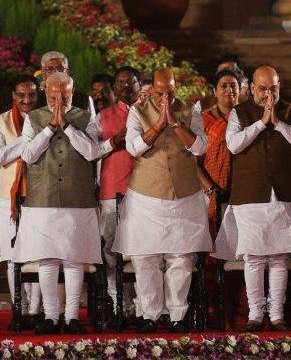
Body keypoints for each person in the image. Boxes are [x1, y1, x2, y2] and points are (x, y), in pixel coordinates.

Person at [115, 68, 213, 334]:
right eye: (160, 93)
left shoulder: (190, 111)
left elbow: (200, 147)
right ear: (152, 88)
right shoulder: (138, 111)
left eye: (169, 92)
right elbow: (133, 148)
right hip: (146, 196)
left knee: (181, 257)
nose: (165, 98)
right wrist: (158, 125)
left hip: (184, 195)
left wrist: (174, 124)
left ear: (175, 87)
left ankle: (177, 314)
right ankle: (149, 313)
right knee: (146, 257)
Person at [214, 66, 291, 331]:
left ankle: (277, 315)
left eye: (274, 88)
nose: (269, 94)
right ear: (252, 88)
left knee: (279, 258)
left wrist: (277, 123)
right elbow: (233, 144)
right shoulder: (239, 112)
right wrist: (261, 124)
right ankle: (255, 315)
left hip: (284, 195)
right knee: (254, 258)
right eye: (263, 88)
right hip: (250, 196)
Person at [12, 73, 103, 334]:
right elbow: (28, 155)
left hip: (78, 198)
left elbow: (92, 152)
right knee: (48, 259)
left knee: (74, 259)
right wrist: (51, 127)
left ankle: (72, 316)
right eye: (53, 97)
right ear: (46, 93)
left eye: (64, 97)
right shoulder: (34, 118)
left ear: (73, 93)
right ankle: (51, 317)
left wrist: (68, 126)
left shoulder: (86, 118)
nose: (59, 102)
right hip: (43, 199)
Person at [94, 67, 140, 316]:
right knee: (110, 248)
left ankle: (143, 305)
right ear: (114, 86)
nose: (125, 86)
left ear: (138, 84)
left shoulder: (148, 113)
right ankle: (118, 302)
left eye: (129, 82)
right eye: (120, 83)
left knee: (142, 248)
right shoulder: (103, 115)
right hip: (112, 189)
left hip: (144, 190)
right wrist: (114, 142)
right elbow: (92, 151)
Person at [0, 75, 41, 326]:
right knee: (13, 254)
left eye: (32, 95)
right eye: (21, 95)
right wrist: (28, 141)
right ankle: (20, 308)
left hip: (40, 194)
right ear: (13, 95)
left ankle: (35, 311)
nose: (27, 100)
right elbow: (2, 157)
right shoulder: (2, 121)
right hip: (9, 196)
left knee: (38, 253)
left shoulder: (46, 118)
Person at [198, 67, 245, 234]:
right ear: (215, 91)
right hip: (211, 189)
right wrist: (211, 189)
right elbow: (193, 161)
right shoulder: (203, 119)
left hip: (244, 188)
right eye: (223, 86)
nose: (229, 90)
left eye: (233, 85)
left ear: (240, 89)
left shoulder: (248, 117)